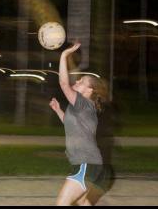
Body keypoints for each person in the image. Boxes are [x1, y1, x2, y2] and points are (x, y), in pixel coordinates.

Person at [49, 43, 112, 206]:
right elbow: (71, 126)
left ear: (89, 90)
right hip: (88, 165)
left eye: (82, 81)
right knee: (84, 204)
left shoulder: (83, 103)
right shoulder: (80, 107)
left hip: (86, 164)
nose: (77, 81)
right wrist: (58, 111)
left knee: (61, 204)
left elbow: (64, 84)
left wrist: (64, 55)